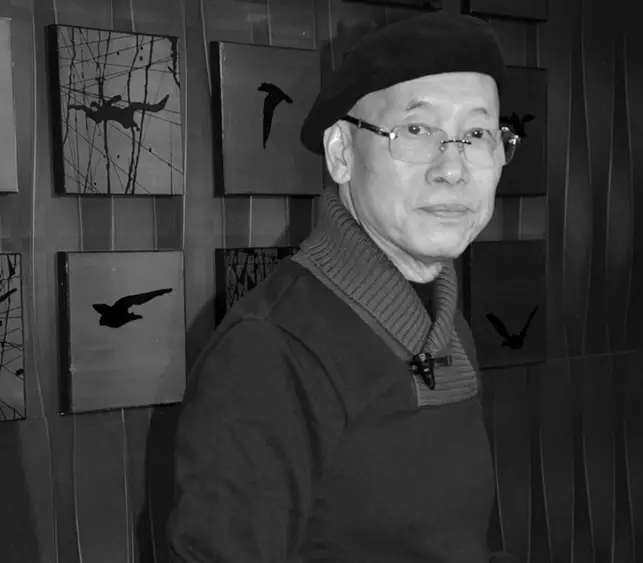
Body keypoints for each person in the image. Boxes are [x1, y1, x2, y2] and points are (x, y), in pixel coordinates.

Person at [168, 11, 521, 563]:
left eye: (476, 134)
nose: (452, 169)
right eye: (416, 130)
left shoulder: (445, 324)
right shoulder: (270, 350)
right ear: (340, 154)